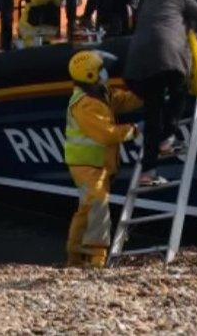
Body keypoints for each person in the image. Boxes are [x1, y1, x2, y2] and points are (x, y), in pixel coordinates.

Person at [123, 0, 197, 186]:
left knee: (153, 114)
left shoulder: (147, 2)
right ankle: (168, 139)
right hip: (168, 56)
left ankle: (147, 172)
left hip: (136, 65)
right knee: (179, 91)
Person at [64, 50, 142, 268]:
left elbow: (124, 101)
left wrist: (147, 94)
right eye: (100, 70)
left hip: (98, 163)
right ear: (89, 76)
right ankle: (96, 257)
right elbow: (106, 133)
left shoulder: (102, 93)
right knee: (98, 202)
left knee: (86, 208)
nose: (105, 72)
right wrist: (134, 130)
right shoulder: (84, 104)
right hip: (85, 164)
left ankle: (75, 256)